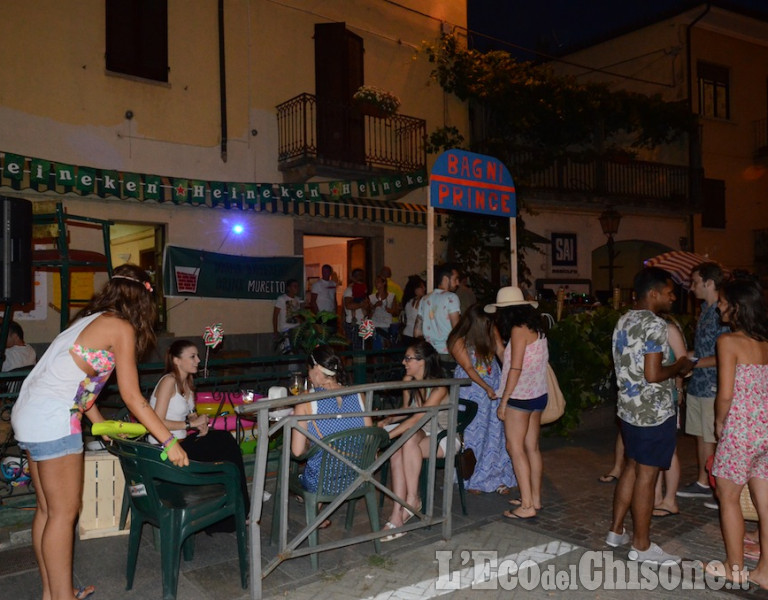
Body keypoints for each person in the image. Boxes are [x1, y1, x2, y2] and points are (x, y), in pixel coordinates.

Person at [11, 263, 188, 600]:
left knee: (48, 510)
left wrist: (98, 422)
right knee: (64, 514)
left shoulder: (89, 320)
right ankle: (62, 597)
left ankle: (53, 593)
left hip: (30, 412)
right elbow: (133, 396)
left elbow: (79, 382)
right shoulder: (120, 327)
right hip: (53, 419)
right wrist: (169, 442)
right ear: (142, 299)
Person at [605, 267, 694, 565]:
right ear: (653, 293)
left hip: (628, 410)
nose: (672, 297)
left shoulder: (623, 320)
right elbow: (654, 373)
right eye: (669, 292)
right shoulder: (655, 325)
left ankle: (616, 531)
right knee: (647, 475)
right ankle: (641, 546)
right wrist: (680, 366)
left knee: (631, 467)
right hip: (653, 413)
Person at [149, 339, 250, 529]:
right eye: (192, 356)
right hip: (165, 448)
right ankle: (230, 514)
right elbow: (155, 421)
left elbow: (190, 414)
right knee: (225, 445)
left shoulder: (187, 381)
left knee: (224, 442)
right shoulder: (169, 381)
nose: (198, 360)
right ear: (177, 360)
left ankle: (232, 510)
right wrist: (190, 423)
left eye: (198, 356)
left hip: (182, 441)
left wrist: (200, 422)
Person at [707, 279, 768, 587]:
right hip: (766, 428)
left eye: (722, 301)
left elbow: (726, 395)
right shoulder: (765, 342)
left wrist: (719, 423)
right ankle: (765, 572)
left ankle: (735, 569)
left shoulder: (728, 342)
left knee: (727, 497)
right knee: (765, 502)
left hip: (741, 429)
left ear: (737, 306)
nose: (719, 305)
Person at [291, 345, 372, 527]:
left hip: (323, 482)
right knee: (330, 457)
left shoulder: (306, 401)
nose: (308, 375)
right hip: (358, 478)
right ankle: (317, 510)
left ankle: (313, 505)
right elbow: (368, 440)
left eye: (309, 370)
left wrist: (307, 444)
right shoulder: (358, 395)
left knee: (309, 468)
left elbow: (297, 452)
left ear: (317, 369)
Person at [486, 286, 547, 520]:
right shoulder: (536, 329)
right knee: (531, 447)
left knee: (515, 447)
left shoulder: (518, 330)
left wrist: (504, 401)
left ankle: (527, 506)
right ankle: (534, 499)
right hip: (538, 395)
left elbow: (516, 368)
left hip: (520, 397)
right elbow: (510, 358)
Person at [378, 340, 448, 541]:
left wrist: (387, 436)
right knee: (402, 445)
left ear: (422, 361)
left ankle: (412, 500)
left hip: (443, 436)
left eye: (408, 358)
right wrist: (389, 419)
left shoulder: (439, 387)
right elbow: (408, 410)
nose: (403, 362)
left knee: (405, 441)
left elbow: (417, 418)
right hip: (423, 432)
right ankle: (397, 512)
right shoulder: (415, 383)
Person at [447, 304, 515, 494]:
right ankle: (473, 478)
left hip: (493, 382)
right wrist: (486, 388)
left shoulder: (490, 328)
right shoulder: (457, 340)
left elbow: (501, 351)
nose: (490, 327)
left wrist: (510, 374)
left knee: (496, 432)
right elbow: (469, 369)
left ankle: (496, 475)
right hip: (472, 390)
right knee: (474, 434)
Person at [678, 262, 729, 505]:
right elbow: (703, 349)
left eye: (695, 282)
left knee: (711, 435)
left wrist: (692, 362)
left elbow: (724, 356)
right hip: (699, 383)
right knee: (700, 434)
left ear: (709, 283)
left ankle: (715, 484)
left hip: (714, 384)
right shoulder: (705, 310)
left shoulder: (723, 312)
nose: (691, 287)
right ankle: (703, 481)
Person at [652, 318, 687, 518]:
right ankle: (657, 496)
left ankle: (670, 499)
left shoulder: (669, 329)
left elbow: (682, 363)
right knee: (658, 450)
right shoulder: (652, 328)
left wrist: (679, 387)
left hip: (668, 399)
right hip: (656, 400)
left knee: (669, 450)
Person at [414, 263, 460, 366]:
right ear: (446, 279)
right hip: (448, 354)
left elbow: (417, 333)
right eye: (455, 279)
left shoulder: (424, 299)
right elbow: (457, 330)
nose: (458, 283)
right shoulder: (451, 297)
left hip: (429, 354)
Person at [368, 275, 400, 350]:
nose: (376, 284)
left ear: (384, 283)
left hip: (386, 325)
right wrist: (375, 306)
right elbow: (368, 314)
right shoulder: (371, 297)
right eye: (375, 282)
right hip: (375, 325)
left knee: (386, 347)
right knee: (376, 348)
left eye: (378, 282)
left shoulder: (391, 296)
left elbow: (396, 313)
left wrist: (390, 310)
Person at [273, 278, 303, 354]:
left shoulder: (298, 299)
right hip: (286, 330)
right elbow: (275, 315)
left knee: (296, 352)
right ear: (288, 288)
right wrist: (275, 331)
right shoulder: (282, 299)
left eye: (297, 286)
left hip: (297, 330)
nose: (297, 288)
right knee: (290, 352)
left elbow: (300, 314)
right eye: (294, 286)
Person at [343, 269, 370, 350]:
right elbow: (348, 305)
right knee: (355, 349)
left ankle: (362, 362)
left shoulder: (364, 289)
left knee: (365, 348)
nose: (360, 277)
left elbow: (368, 306)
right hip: (354, 322)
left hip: (365, 322)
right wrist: (361, 304)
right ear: (353, 278)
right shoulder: (349, 290)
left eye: (362, 275)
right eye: (358, 275)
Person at [309, 264, 338, 330]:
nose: (325, 273)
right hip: (322, 314)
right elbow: (313, 301)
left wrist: (335, 313)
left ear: (330, 272)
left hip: (331, 314)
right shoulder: (317, 285)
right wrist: (318, 315)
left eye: (327, 271)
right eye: (323, 271)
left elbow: (334, 299)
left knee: (332, 333)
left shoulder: (333, 284)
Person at [400, 275, 426, 348]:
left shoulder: (408, 301)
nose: (424, 289)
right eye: (421, 287)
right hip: (415, 335)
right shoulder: (421, 301)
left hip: (406, 333)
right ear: (416, 289)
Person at [379, 266, 404, 343]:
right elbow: (402, 303)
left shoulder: (378, 286)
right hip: (394, 320)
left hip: (382, 320)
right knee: (393, 344)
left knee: (381, 344)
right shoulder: (397, 287)